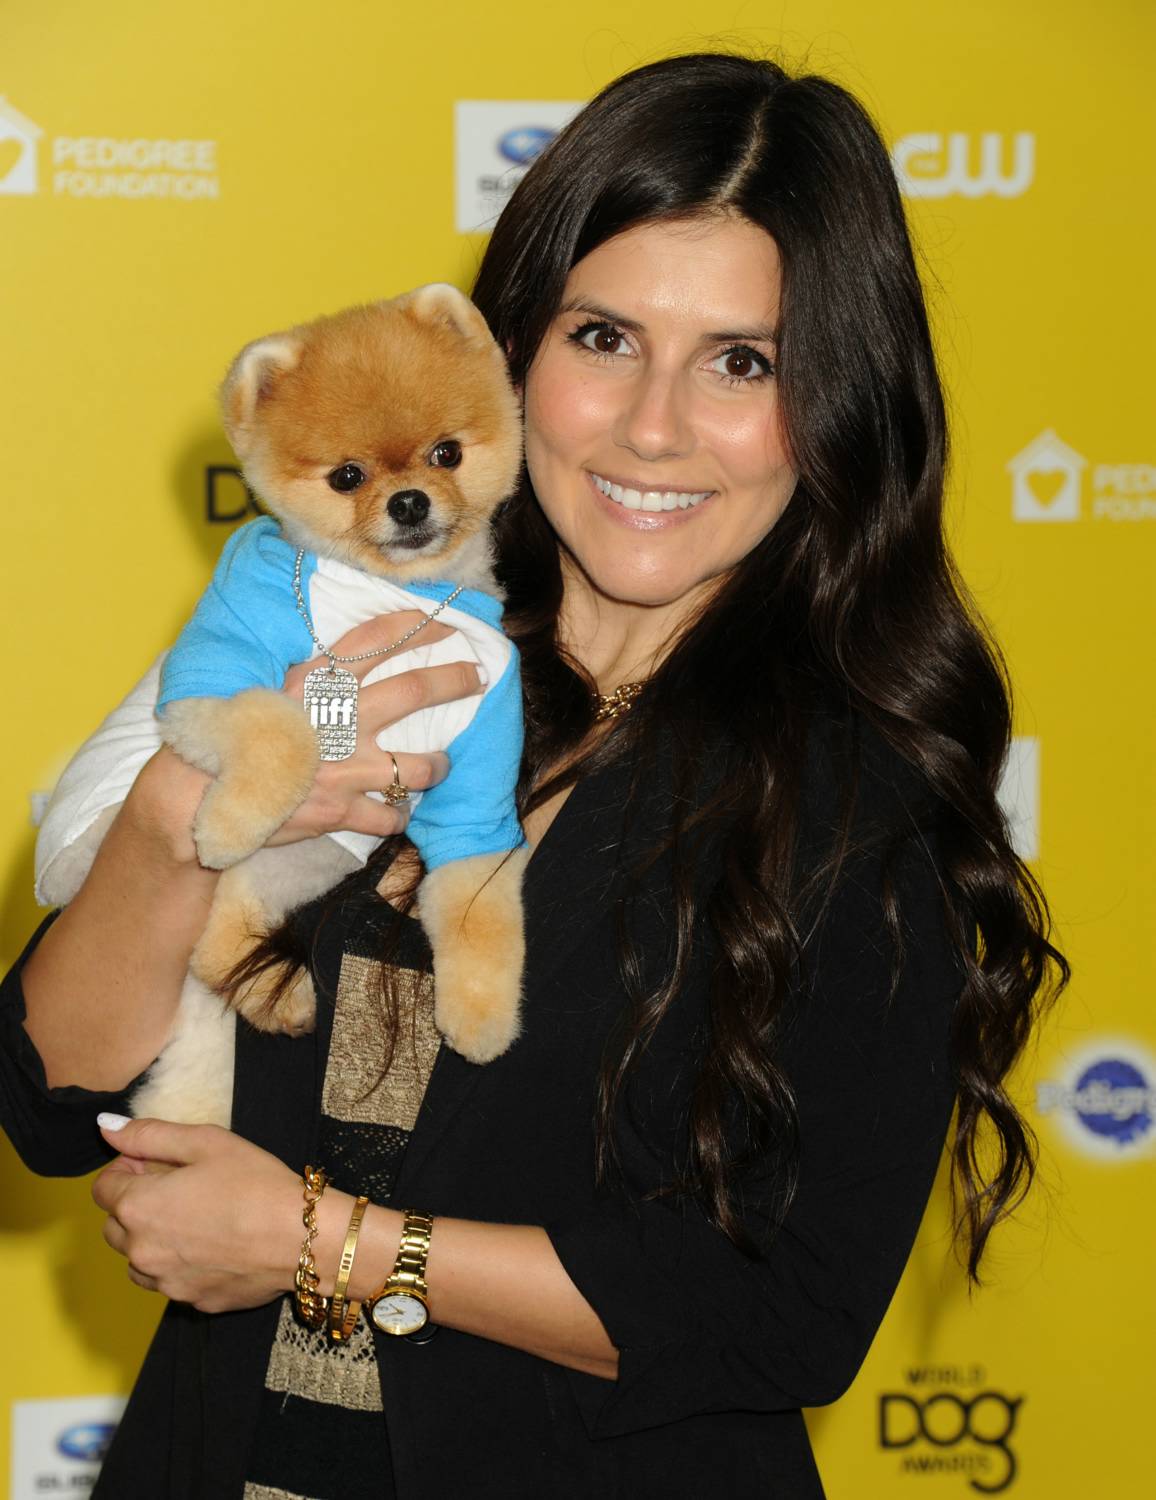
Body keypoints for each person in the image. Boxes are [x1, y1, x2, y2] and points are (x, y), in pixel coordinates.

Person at [0, 51, 1066, 1500]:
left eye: (743, 362)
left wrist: (324, 1245)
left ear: (840, 406)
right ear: (511, 355)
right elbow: (52, 1097)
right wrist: (176, 816)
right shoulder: (346, 628)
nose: (654, 425)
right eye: (605, 338)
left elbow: (785, 1316)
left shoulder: (858, 798)